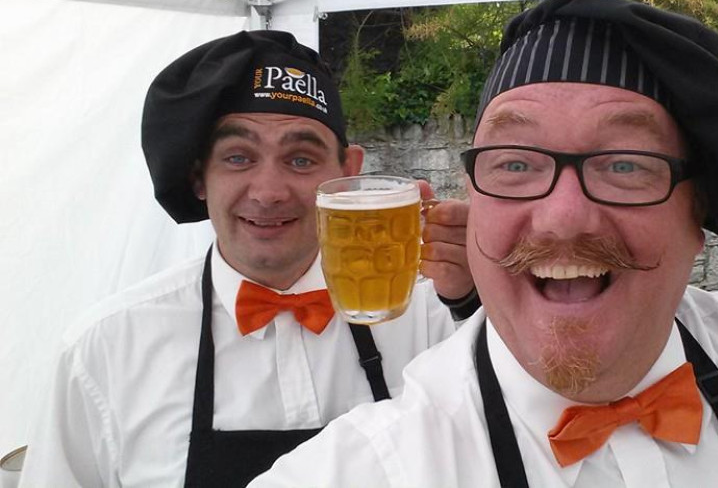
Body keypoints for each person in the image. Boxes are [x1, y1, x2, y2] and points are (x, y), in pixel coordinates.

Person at [251, 0, 718, 487]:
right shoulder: (374, 467)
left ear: (697, 215)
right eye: (515, 164)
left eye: (624, 165)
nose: (561, 219)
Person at [19, 30, 478, 487]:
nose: (269, 192)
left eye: (301, 160)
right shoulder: (105, 351)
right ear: (199, 178)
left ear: (348, 171)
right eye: (238, 158)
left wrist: (476, 291)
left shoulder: (436, 320)